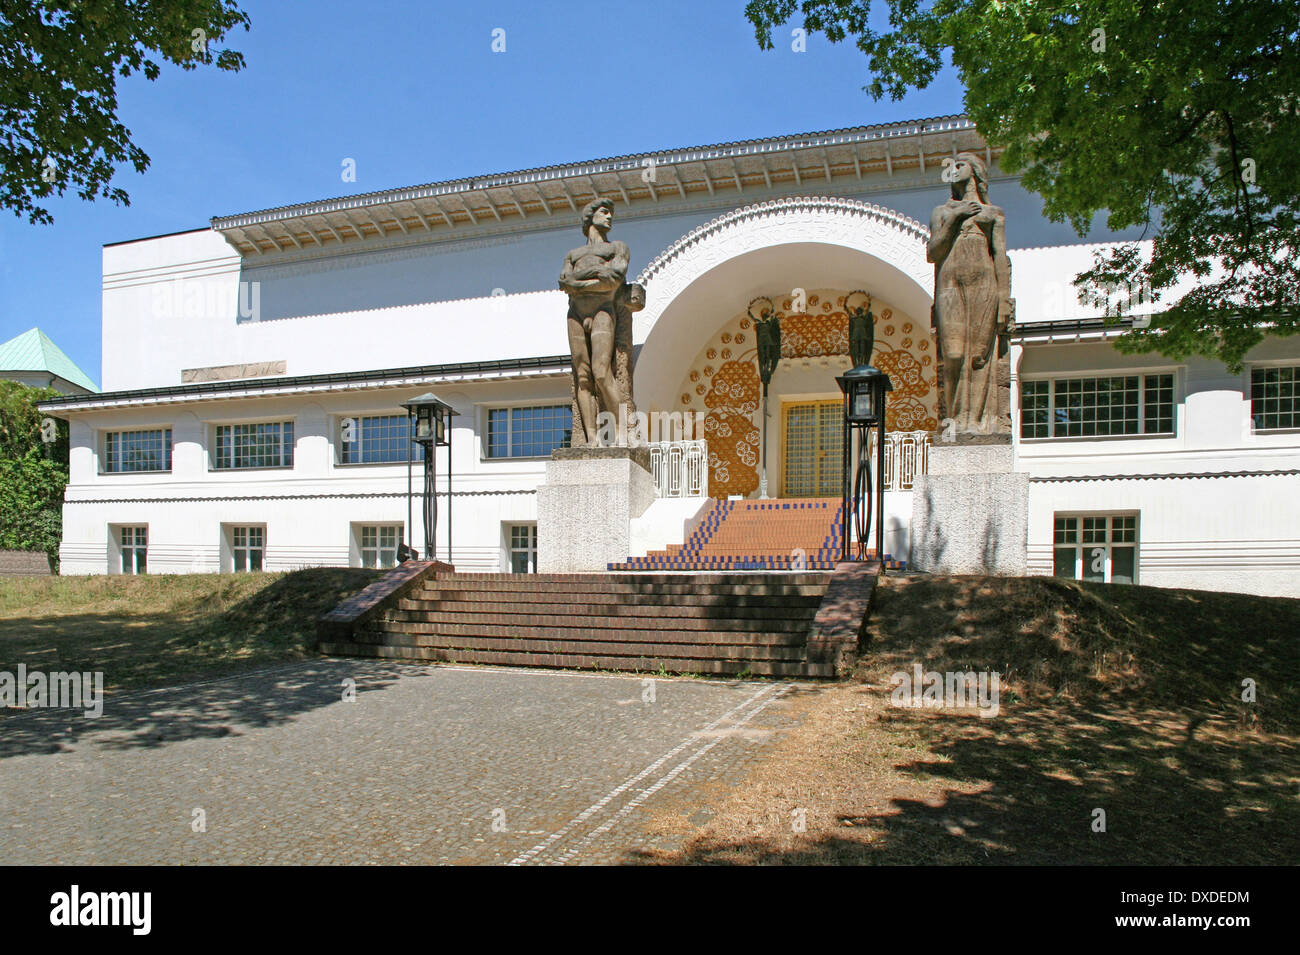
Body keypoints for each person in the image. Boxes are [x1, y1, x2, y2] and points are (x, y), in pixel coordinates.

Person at [927, 152, 1013, 434]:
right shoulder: (942, 212)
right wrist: (955, 218)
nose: (954, 169)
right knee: (952, 353)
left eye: (960, 164)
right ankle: (952, 421)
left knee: (979, 354)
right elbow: (933, 252)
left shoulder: (993, 213)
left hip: (984, 284)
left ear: (975, 171)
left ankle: (978, 423)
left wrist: (1003, 299)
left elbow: (1000, 255)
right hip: (950, 284)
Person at [560, 198, 630, 445]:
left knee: (602, 373)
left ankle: (621, 432)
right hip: (576, 315)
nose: (609, 217)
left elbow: (614, 279)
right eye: (604, 212)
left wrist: (581, 281)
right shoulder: (573, 254)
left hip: (603, 310)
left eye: (611, 213)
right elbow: (565, 284)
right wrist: (597, 273)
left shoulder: (617, 248)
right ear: (590, 217)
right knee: (583, 376)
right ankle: (591, 438)